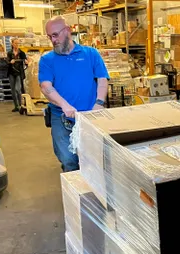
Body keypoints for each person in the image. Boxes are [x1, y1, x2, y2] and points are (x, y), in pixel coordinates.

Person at [39, 16, 109, 172]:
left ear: (68, 30)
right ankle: (76, 193)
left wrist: (99, 103)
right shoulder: (47, 60)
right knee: (69, 160)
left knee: (93, 159)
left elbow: (102, 80)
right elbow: (45, 86)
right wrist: (64, 105)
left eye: (55, 35)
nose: (53, 40)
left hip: (90, 116)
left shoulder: (91, 54)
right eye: (50, 36)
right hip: (61, 118)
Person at [7, 38, 29, 112]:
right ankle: (16, 106)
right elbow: (7, 61)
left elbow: (25, 60)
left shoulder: (21, 53)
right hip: (11, 73)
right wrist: (10, 62)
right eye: (15, 43)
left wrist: (26, 61)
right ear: (12, 44)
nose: (17, 45)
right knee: (13, 90)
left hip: (19, 73)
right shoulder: (9, 53)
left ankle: (21, 105)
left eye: (18, 43)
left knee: (18, 89)